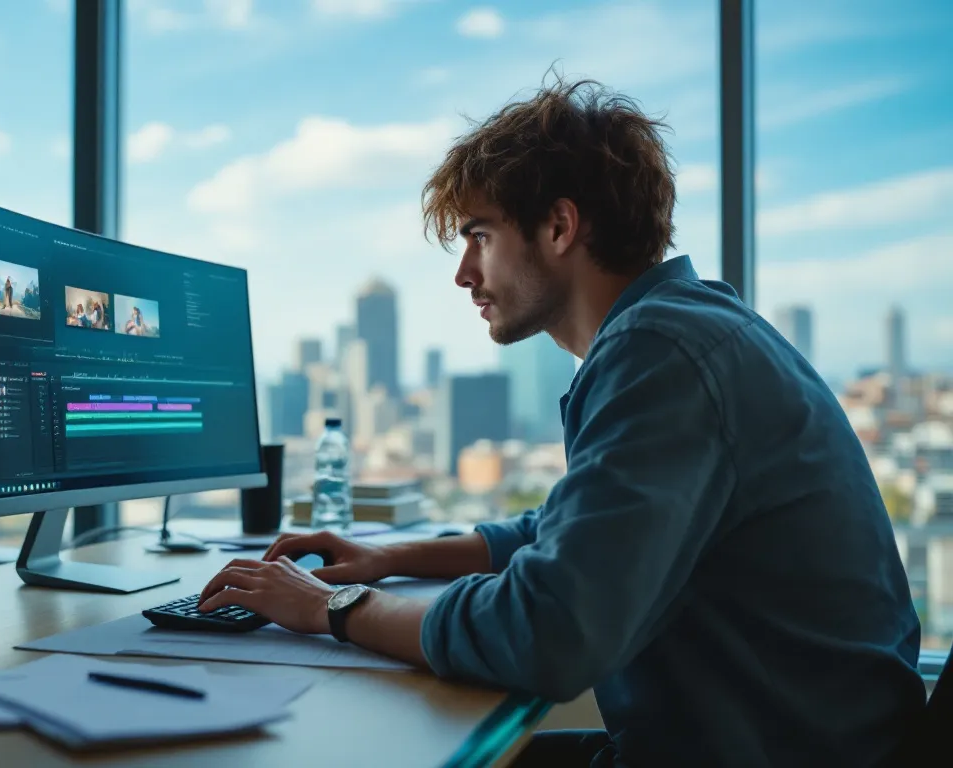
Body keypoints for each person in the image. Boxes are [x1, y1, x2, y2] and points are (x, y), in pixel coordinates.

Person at [197, 77, 925, 767]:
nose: (462, 274)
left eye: (478, 235)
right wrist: (392, 558)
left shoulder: (660, 351)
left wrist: (334, 606)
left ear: (558, 226)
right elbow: (558, 532)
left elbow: (549, 631)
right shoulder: (683, 331)